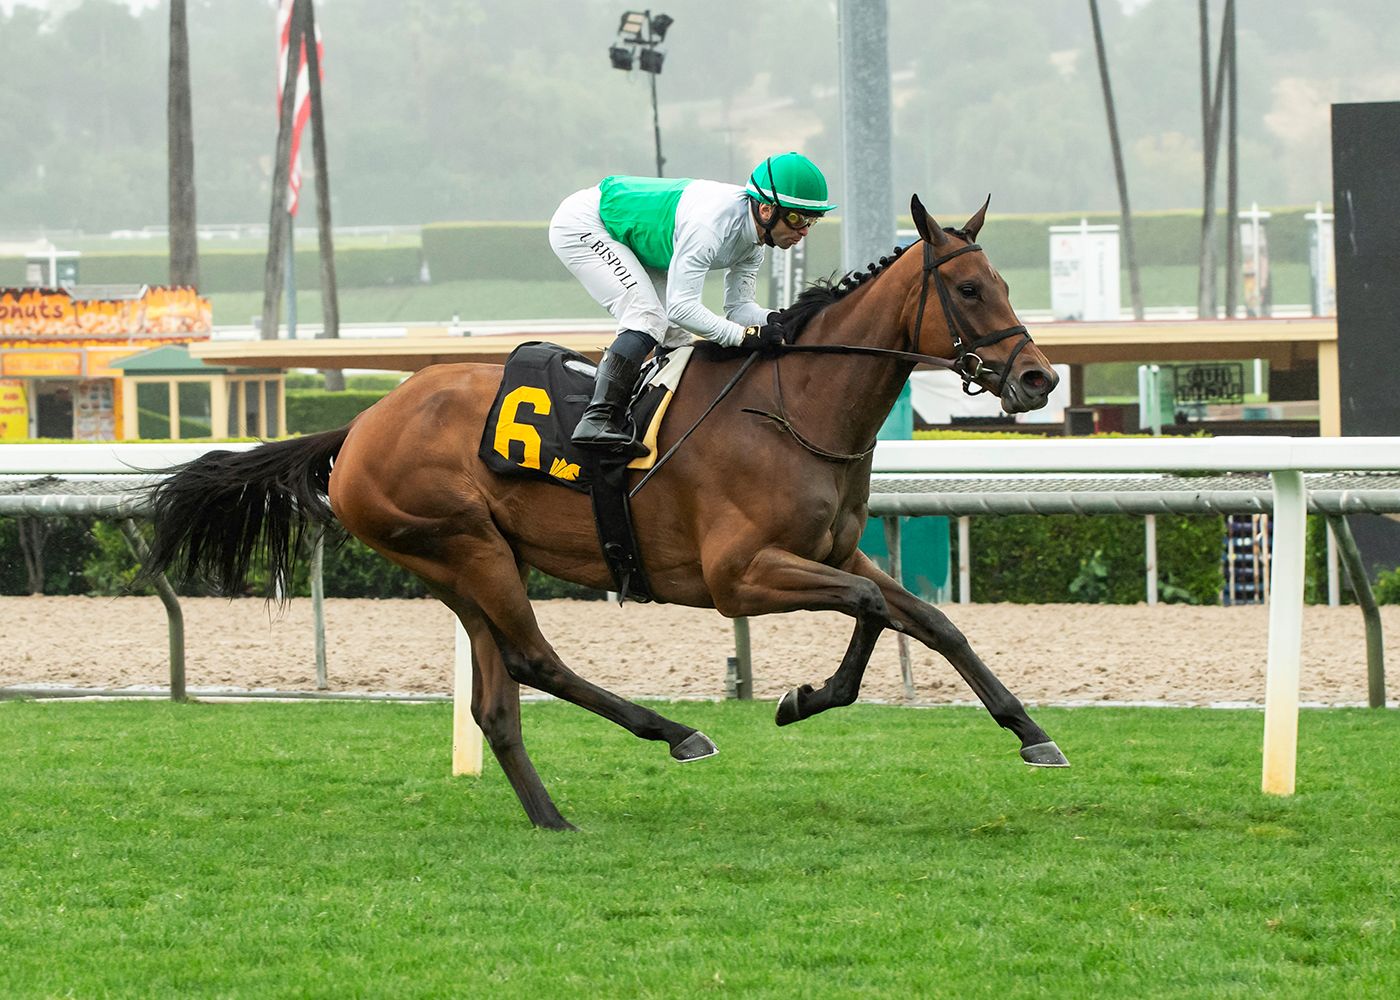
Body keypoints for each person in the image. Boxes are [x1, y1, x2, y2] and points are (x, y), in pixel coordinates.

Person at [548, 152, 836, 451]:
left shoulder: (754, 244)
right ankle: (597, 419)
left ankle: (648, 420)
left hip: (630, 235)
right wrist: (744, 337)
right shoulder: (711, 225)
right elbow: (681, 308)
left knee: (676, 337)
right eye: (797, 218)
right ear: (766, 210)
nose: (804, 231)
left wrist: (778, 320)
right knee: (647, 318)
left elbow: (739, 310)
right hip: (584, 224)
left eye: (811, 221)